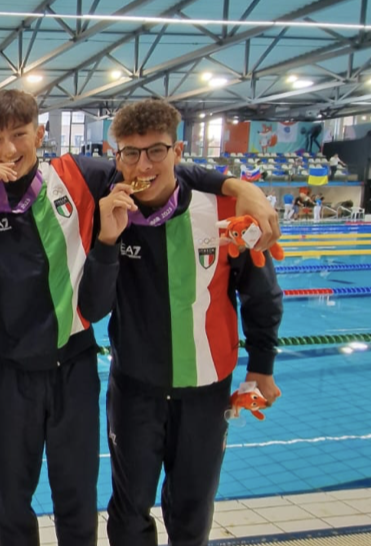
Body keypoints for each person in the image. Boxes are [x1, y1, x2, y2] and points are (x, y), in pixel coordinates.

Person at [0, 90, 279, 546]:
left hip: (75, 369)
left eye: (19, 135)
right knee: (11, 502)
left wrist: (241, 187)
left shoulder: (82, 175)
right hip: (8, 374)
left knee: (80, 501)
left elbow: (157, 170)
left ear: (40, 134)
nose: (8, 150)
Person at [80, 98, 283, 546]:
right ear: (117, 156)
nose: (142, 164)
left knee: (192, 508)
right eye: (130, 153)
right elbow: (93, 308)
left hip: (206, 392)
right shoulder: (110, 208)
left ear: (178, 150)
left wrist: (262, 366)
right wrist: (108, 243)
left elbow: (261, 292)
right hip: (134, 389)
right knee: (129, 510)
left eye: (156, 150)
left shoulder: (224, 212)